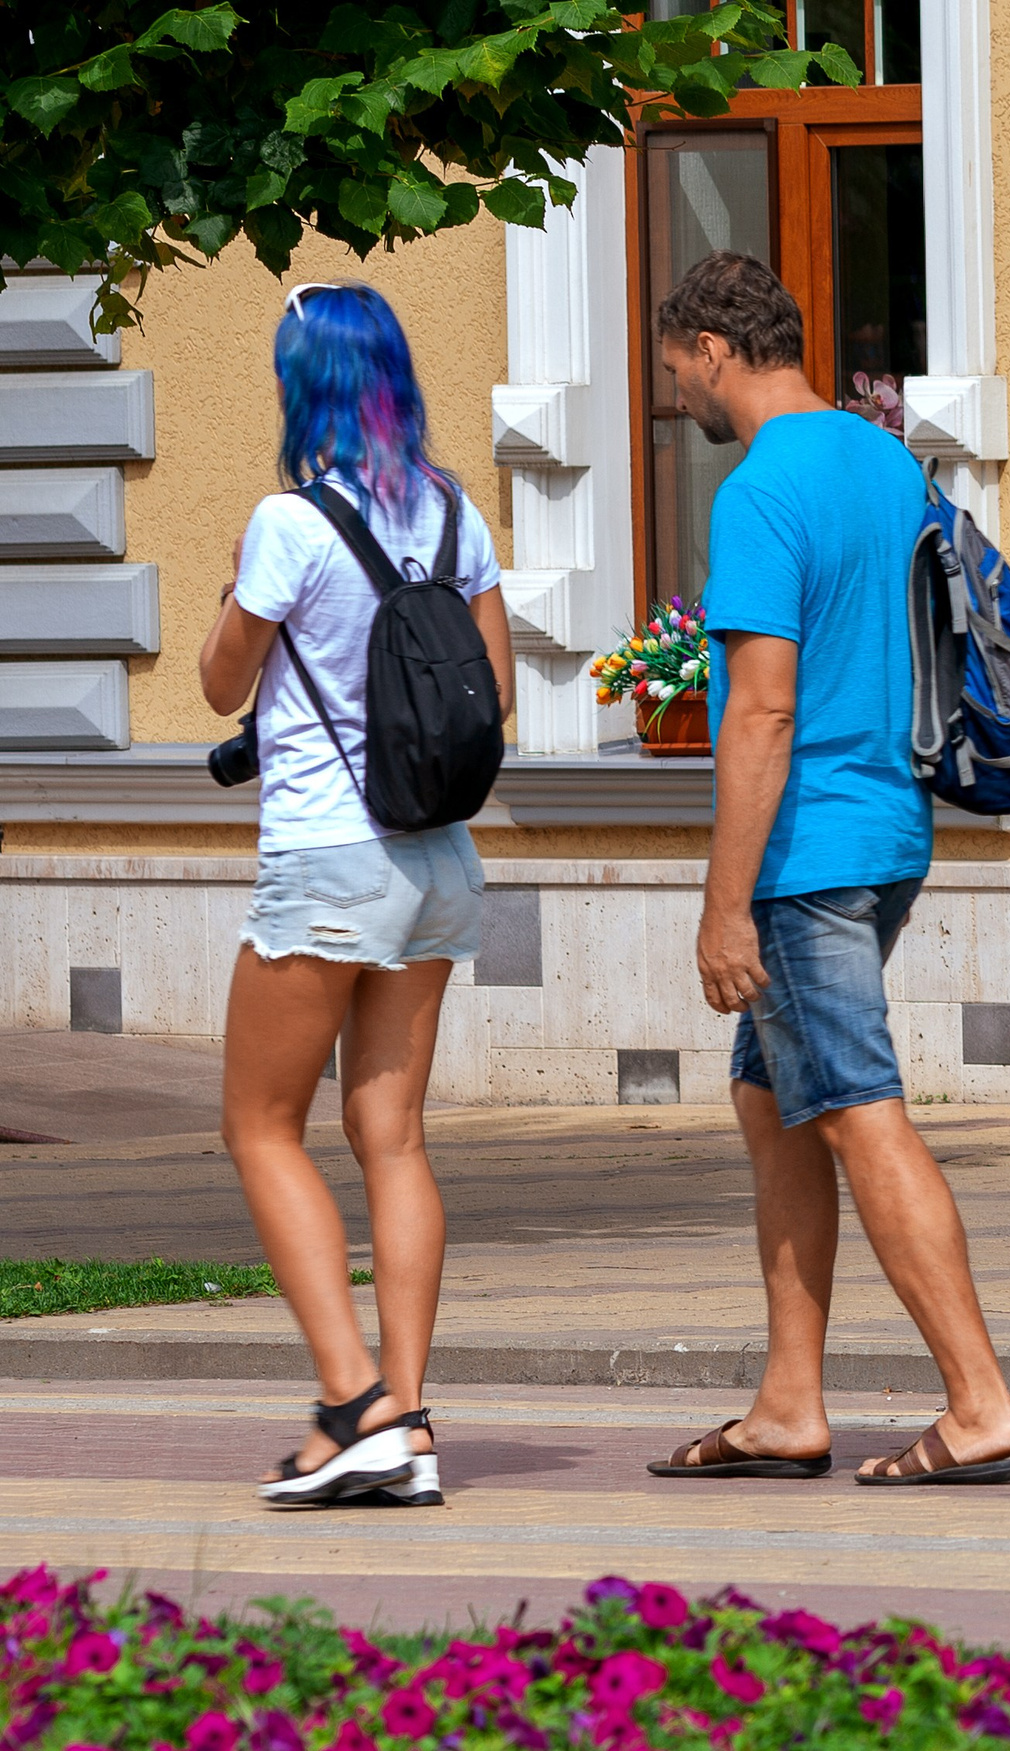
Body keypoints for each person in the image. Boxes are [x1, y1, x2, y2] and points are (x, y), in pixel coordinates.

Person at [646, 251, 1010, 1485]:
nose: (674, 401)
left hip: (805, 853)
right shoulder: (882, 457)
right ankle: (787, 1404)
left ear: (711, 346)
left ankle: (977, 1402)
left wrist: (722, 906)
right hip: (893, 828)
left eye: (672, 371)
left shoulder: (761, 490)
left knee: (859, 1113)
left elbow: (757, 715)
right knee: (774, 1108)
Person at [197, 282, 513, 1507]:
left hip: (328, 855)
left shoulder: (288, 522)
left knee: (259, 1125)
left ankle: (353, 1395)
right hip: (437, 856)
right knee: (393, 1134)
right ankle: (406, 1422)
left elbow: (226, 684)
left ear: (304, 384)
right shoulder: (451, 511)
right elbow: (490, 687)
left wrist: (241, 589)